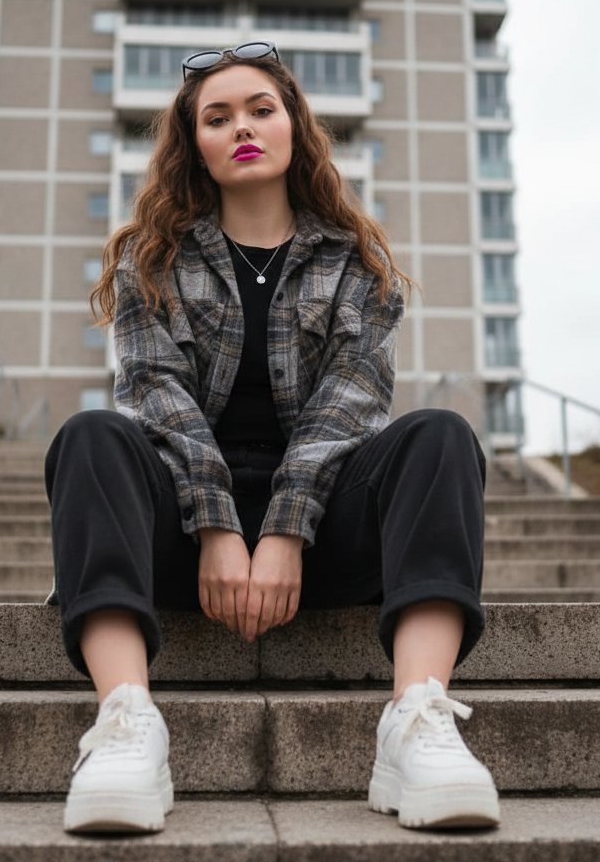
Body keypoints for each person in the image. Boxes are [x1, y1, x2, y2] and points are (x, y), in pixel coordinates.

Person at [45, 41, 499, 835]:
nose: (243, 127)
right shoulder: (151, 263)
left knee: (440, 435)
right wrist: (219, 526)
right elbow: (158, 400)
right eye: (217, 118)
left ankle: (417, 722)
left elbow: (350, 410)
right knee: (92, 436)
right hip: (188, 539)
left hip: (320, 538)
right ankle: (126, 723)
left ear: (294, 126)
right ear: (198, 147)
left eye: (262, 108)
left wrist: (284, 531)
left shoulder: (358, 264)